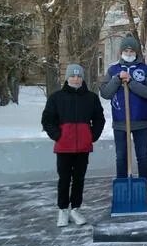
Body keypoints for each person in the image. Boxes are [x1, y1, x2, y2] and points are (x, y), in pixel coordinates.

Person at [42, 64, 105, 227]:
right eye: (72, 76)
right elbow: (47, 119)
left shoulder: (91, 97)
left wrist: (92, 135)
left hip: (83, 146)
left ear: (82, 78)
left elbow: (99, 119)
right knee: (64, 179)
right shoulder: (56, 97)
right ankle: (63, 209)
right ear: (67, 78)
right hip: (64, 146)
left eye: (78, 76)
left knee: (79, 179)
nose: (76, 79)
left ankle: (75, 208)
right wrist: (57, 135)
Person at [100, 35, 147, 187]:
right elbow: (105, 93)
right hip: (120, 122)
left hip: (141, 121)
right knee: (121, 157)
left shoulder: (146, 70)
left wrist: (131, 82)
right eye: (126, 50)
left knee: (143, 157)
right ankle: (123, 186)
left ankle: (144, 186)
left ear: (137, 52)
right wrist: (117, 79)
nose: (129, 52)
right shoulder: (113, 70)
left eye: (132, 50)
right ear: (121, 52)